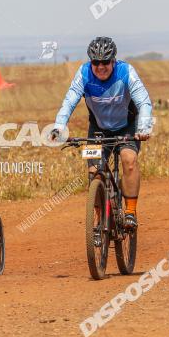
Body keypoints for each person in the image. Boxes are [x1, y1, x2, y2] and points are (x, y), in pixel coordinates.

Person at [50, 37, 153, 229]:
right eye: (96, 62)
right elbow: (69, 102)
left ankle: (130, 211)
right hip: (98, 128)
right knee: (94, 172)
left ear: (113, 60)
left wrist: (144, 128)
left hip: (127, 126)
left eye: (105, 61)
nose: (100, 66)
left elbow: (143, 101)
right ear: (91, 62)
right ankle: (99, 216)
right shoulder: (84, 73)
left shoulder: (126, 72)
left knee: (129, 160)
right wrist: (59, 127)